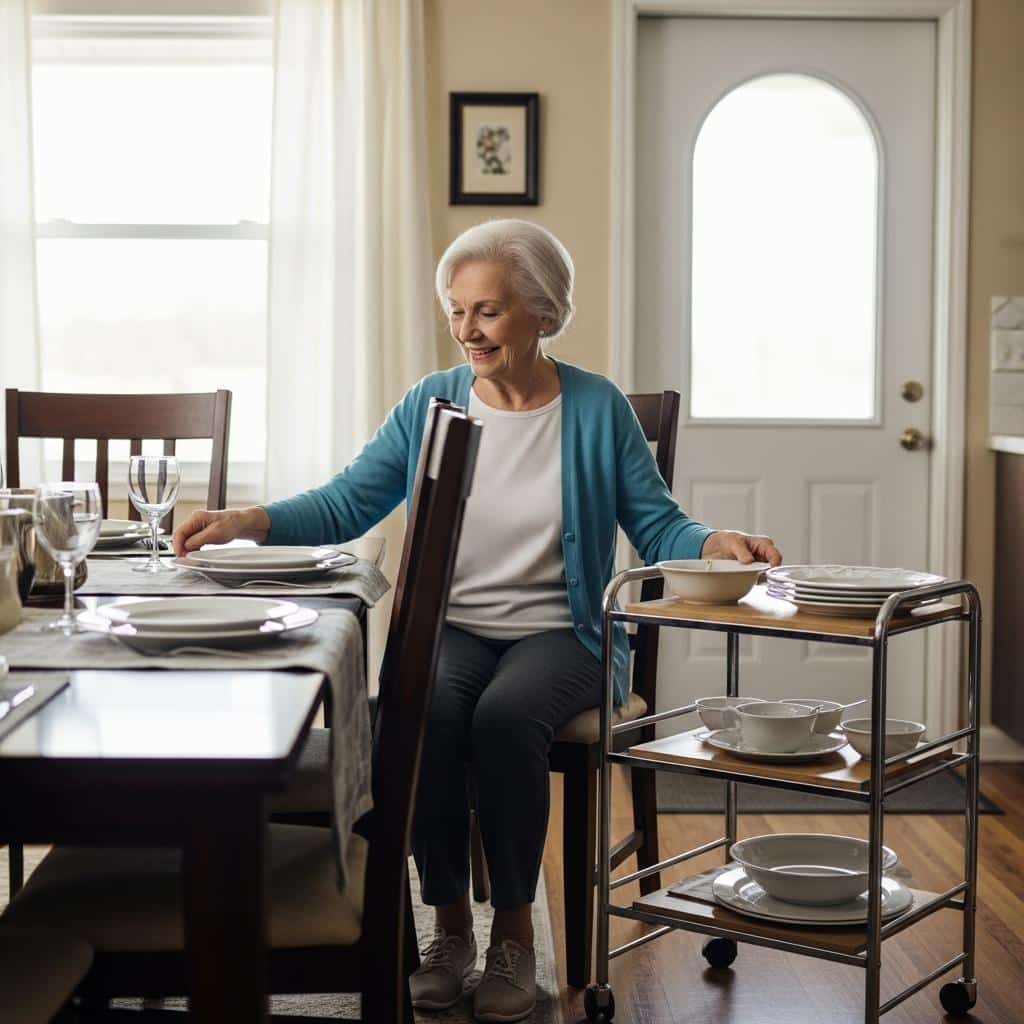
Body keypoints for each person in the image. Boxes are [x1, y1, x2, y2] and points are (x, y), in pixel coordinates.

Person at [172, 219, 781, 1022]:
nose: (467, 331)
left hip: (564, 634)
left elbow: (659, 525)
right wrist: (251, 518)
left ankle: (515, 935)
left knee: (503, 717)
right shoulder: (432, 401)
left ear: (541, 312)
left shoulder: (595, 409)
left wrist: (716, 543)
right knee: (424, 712)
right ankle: (450, 925)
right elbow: (351, 499)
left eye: (488, 311)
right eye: (457, 311)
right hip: (454, 627)